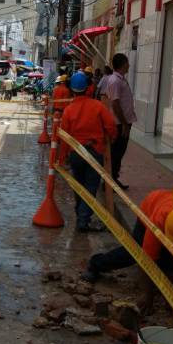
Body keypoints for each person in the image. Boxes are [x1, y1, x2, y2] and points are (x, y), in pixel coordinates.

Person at [59, 72, 117, 231]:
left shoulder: (69, 110)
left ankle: (80, 215)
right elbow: (111, 125)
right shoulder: (98, 106)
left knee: (79, 186)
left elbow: (63, 136)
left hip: (76, 153)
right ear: (88, 89)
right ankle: (83, 221)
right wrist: (111, 137)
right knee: (90, 187)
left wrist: (63, 157)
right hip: (94, 152)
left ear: (72, 89)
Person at [106, 53, 137, 190]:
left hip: (124, 122)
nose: (129, 65)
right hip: (119, 124)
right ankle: (110, 180)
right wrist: (124, 123)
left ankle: (113, 178)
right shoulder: (115, 81)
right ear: (123, 64)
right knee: (116, 152)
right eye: (127, 62)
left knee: (119, 152)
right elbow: (115, 103)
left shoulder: (121, 79)